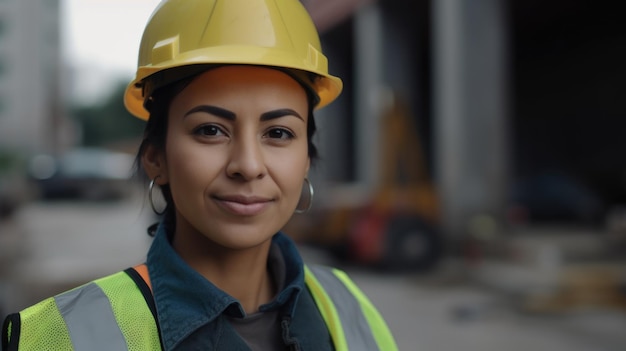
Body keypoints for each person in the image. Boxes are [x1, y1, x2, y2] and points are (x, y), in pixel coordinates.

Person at [1, 0, 398, 350]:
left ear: (306, 159)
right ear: (156, 157)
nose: (248, 165)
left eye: (278, 133)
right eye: (210, 130)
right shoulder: (62, 336)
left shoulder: (350, 309)